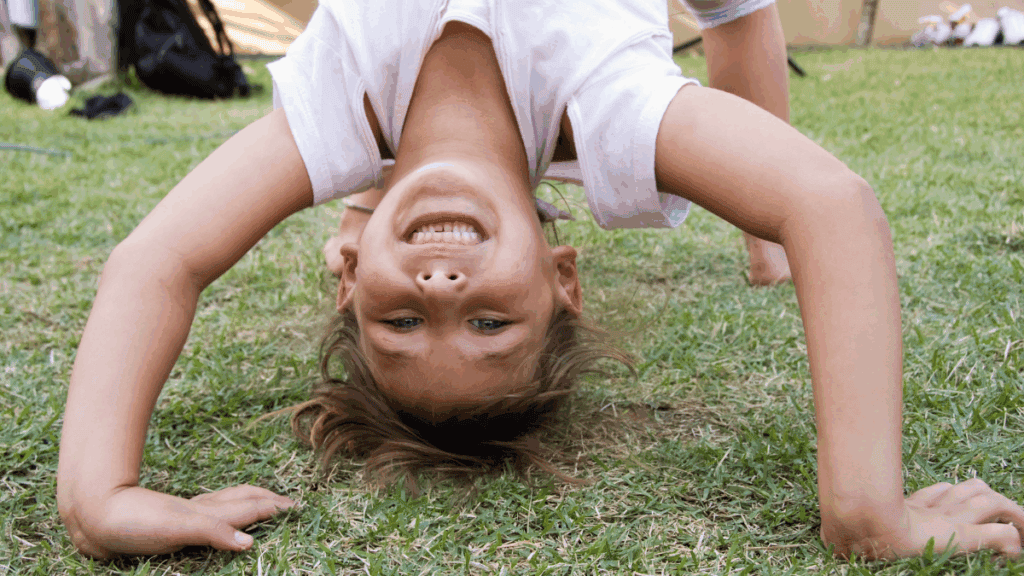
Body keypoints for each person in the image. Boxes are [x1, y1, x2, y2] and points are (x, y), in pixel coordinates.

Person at [57, 0, 1024, 562]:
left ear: (348, 278)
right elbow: (831, 204)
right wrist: (865, 510)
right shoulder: (612, 100)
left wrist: (98, 495)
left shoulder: (332, 105)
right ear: (566, 277)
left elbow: (160, 259)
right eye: (487, 322)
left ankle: (752, 242)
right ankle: (757, 241)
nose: (440, 285)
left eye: (401, 318)